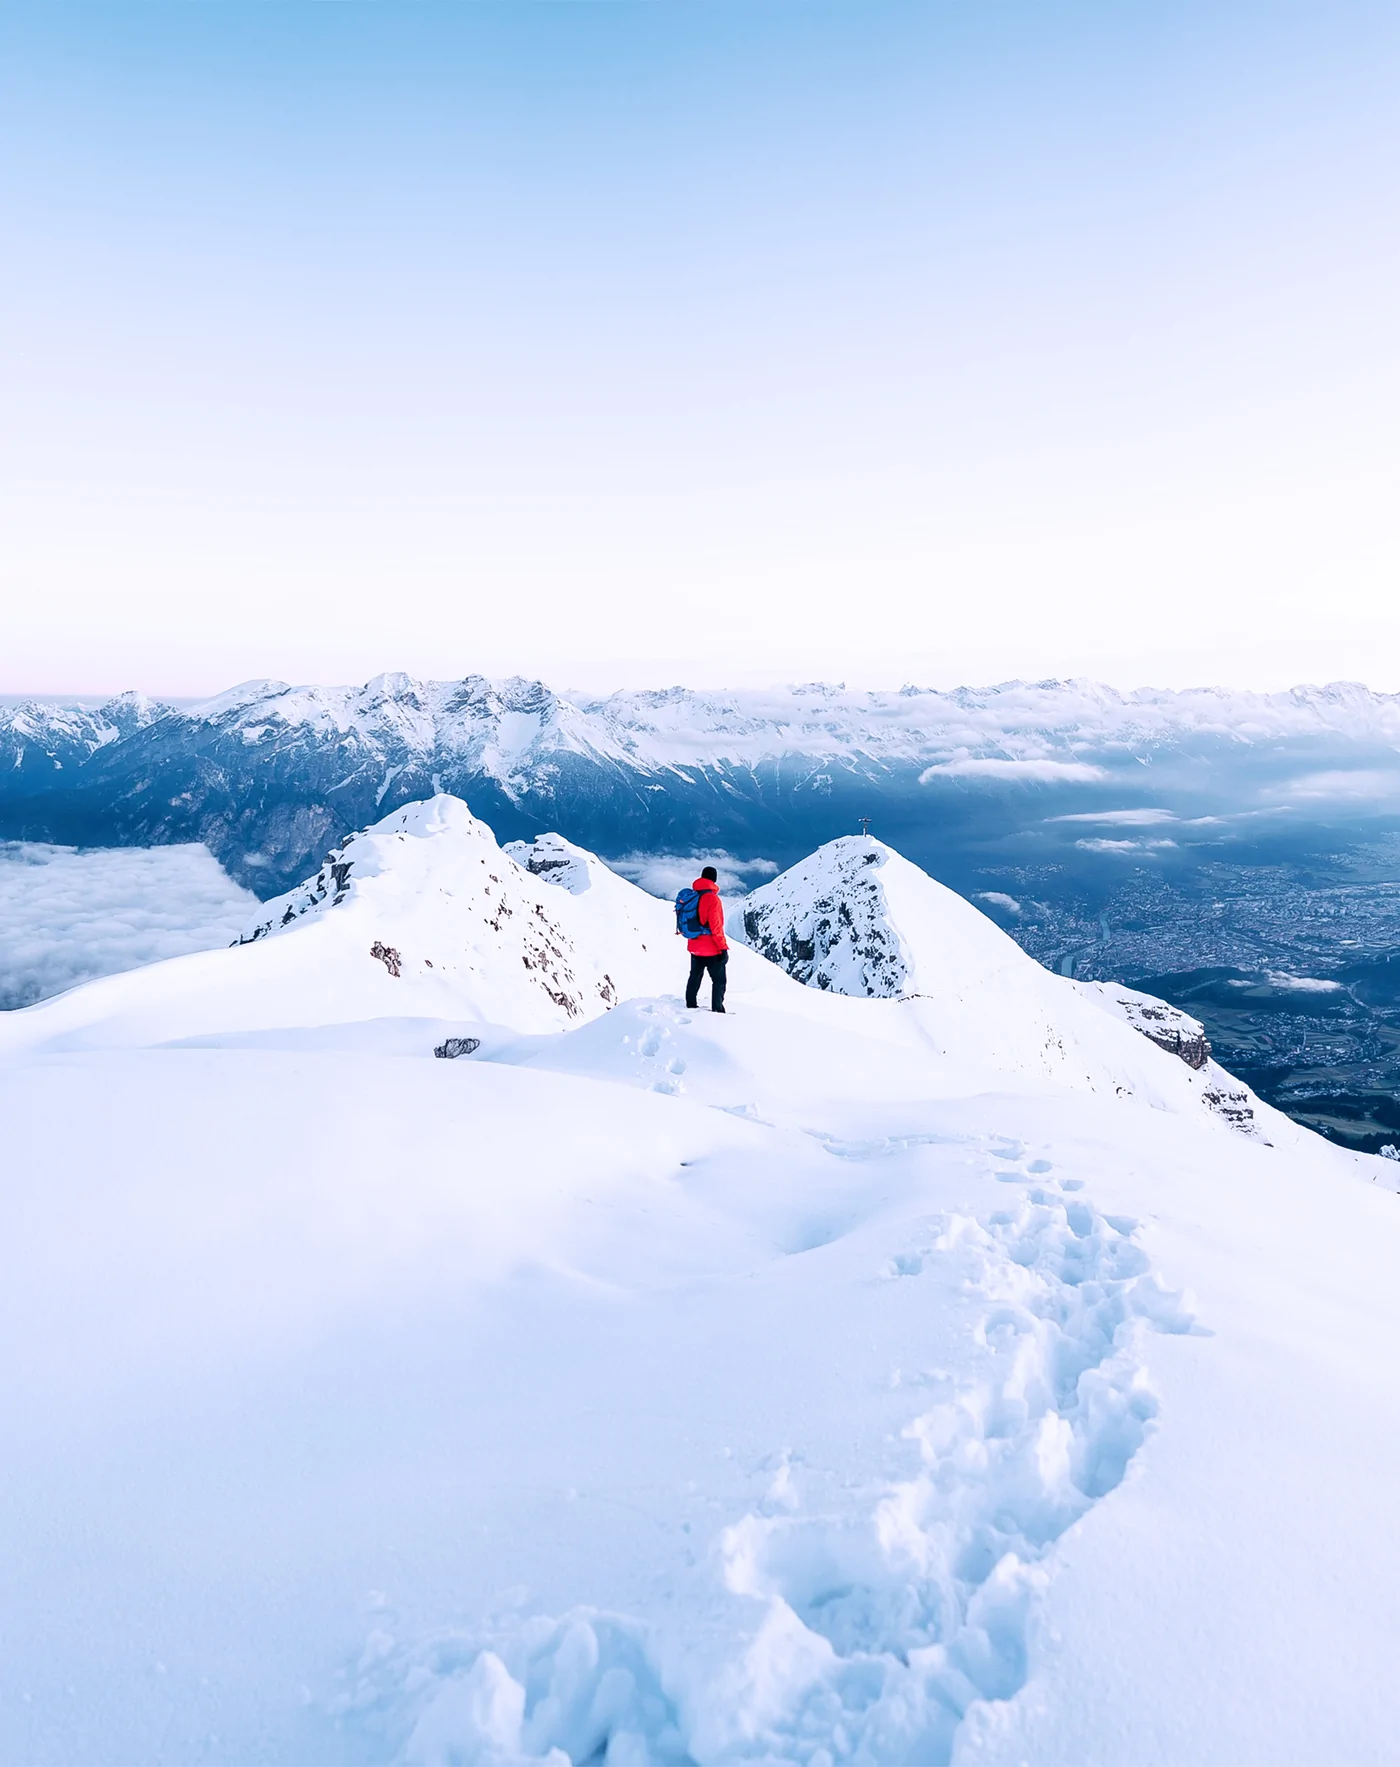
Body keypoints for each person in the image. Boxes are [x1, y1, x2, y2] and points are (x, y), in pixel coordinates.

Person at [683, 865, 728, 1013]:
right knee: (719, 980)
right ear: (714, 879)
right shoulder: (712, 899)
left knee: (695, 976)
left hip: (694, 946)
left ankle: (690, 1005)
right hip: (711, 949)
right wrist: (723, 948)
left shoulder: (692, 895)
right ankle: (717, 1010)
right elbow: (716, 927)